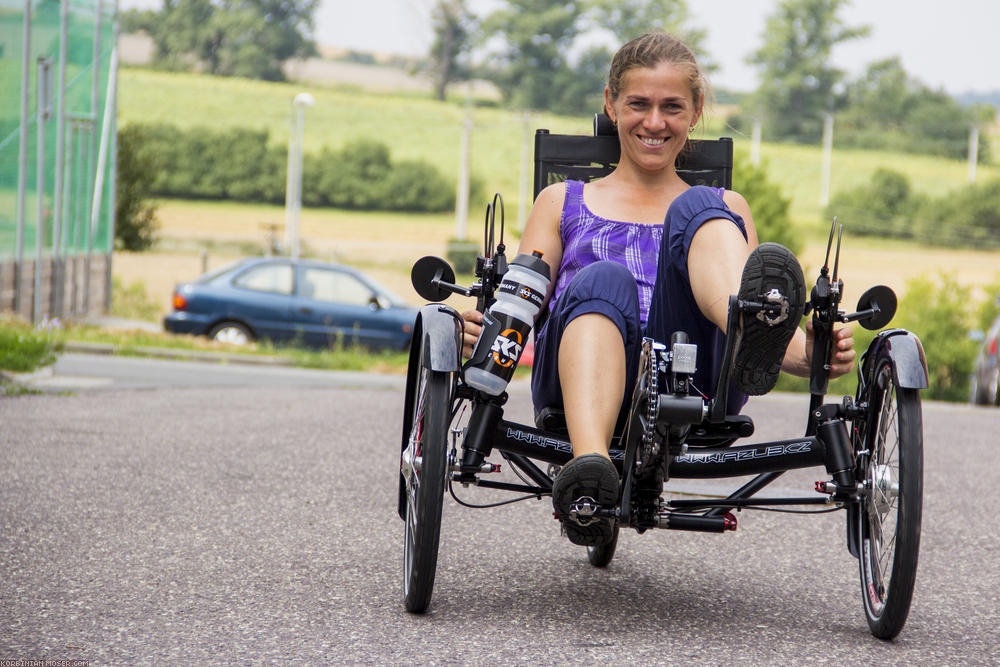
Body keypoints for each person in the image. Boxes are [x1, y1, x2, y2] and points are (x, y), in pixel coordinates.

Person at [461, 32, 856, 546]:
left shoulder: (727, 208)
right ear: (611, 104)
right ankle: (591, 468)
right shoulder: (562, 200)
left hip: (698, 380)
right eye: (638, 105)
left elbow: (752, 302)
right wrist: (488, 336)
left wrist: (810, 353)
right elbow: (523, 293)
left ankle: (755, 328)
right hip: (579, 370)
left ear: (695, 113)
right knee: (603, 278)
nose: (654, 122)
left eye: (672, 107)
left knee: (699, 209)